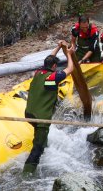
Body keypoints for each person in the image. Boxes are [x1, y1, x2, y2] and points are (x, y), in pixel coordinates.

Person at [22, 41, 74, 176]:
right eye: (56, 66)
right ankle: (26, 174)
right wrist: (69, 54)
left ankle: (43, 147)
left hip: (29, 114)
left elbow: (49, 59)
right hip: (41, 118)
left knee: (40, 137)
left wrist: (57, 47)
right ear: (55, 66)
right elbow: (70, 69)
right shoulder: (52, 77)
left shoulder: (39, 73)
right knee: (37, 148)